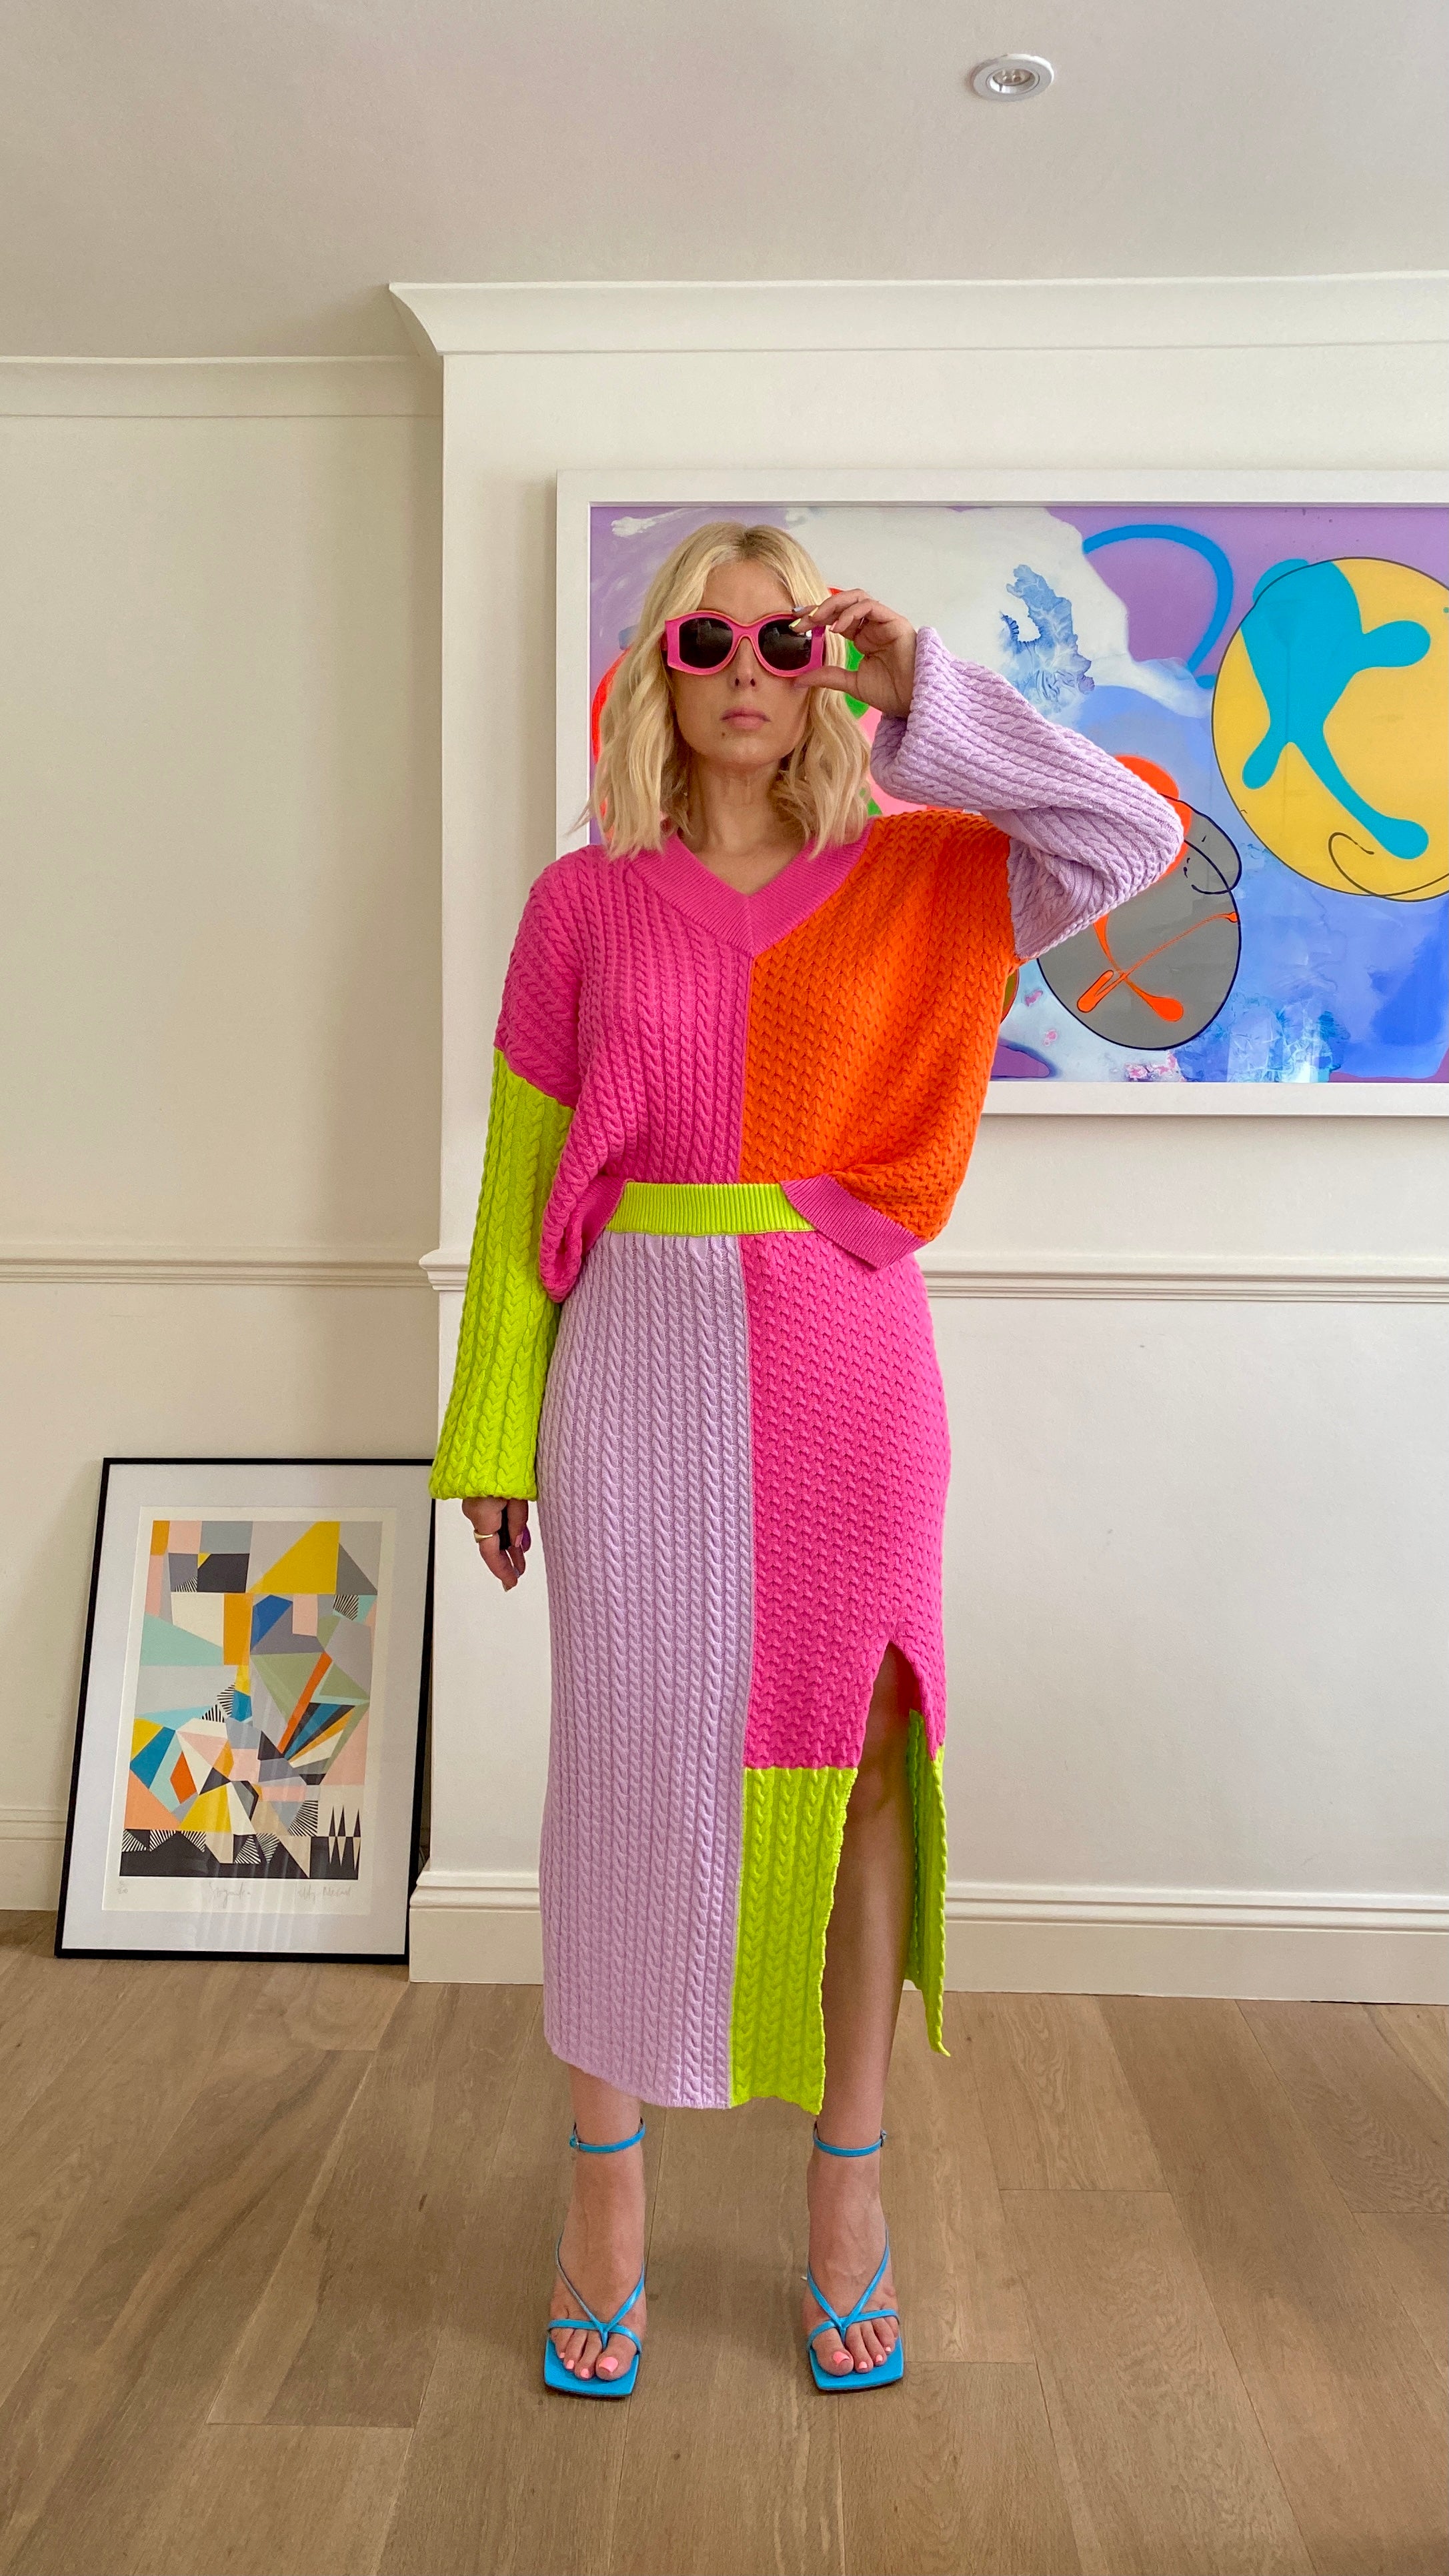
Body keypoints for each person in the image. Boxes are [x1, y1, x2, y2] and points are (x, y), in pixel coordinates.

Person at [429, 521, 1182, 2394]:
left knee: (857, 1766)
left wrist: (928, 690)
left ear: (829, 665)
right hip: (633, 1366)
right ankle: (604, 2194)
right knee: (622, 1770)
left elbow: (1131, 838)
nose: (749, 673)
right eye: (708, 641)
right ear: (656, 672)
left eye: (789, 641)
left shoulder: (925, 869)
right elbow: (525, 1184)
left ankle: (850, 2185)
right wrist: (493, 1426)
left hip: (848, 1364)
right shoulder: (581, 904)